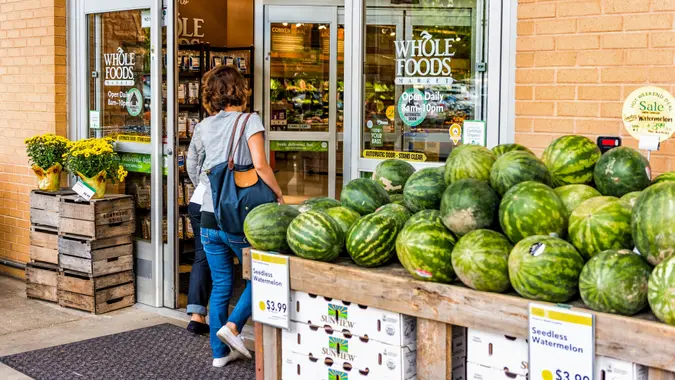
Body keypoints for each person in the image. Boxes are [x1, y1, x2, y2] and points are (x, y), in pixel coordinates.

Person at [187, 65, 284, 367]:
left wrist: (207, 188)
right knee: (262, 275)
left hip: (208, 216)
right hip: (239, 219)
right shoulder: (249, 120)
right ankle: (233, 327)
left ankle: (219, 354)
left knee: (220, 285)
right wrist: (279, 194)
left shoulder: (203, 126)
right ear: (238, 89)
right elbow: (261, 165)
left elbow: (193, 167)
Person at [185, 128, 211, 336]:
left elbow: (191, 163)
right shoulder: (244, 123)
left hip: (198, 200)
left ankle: (196, 315)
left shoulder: (202, 126)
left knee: (201, 256)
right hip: (221, 204)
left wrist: (200, 186)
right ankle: (232, 323)